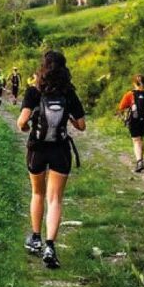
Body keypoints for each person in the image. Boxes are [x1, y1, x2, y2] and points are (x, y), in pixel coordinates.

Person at [17, 51, 86, 269]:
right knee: (54, 198)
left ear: (43, 67)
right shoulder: (69, 93)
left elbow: (21, 123)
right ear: (64, 69)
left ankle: (35, 237)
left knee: (37, 193)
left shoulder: (33, 91)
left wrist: (29, 127)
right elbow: (81, 125)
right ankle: (50, 246)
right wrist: (70, 121)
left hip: (37, 148)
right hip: (60, 150)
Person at [118, 74, 144, 173]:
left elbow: (121, 106)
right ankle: (141, 160)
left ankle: (139, 161)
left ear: (133, 83)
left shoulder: (129, 94)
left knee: (136, 140)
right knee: (140, 139)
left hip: (134, 119)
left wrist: (130, 106)